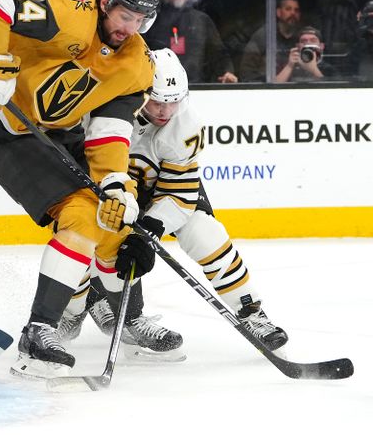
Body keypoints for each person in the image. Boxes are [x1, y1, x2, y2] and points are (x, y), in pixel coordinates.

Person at [0, 0, 161, 379]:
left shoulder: (137, 65)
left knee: (105, 217)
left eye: (140, 20)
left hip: (59, 136)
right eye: (124, 16)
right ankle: (46, 327)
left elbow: (109, 129)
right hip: (6, 134)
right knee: (82, 216)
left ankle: (83, 323)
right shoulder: (67, 12)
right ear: (104, 4)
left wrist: (116, 182)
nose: (130, 29)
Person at [60, 49, 289, 354]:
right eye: (157, 101)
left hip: (162, 188)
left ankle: (251, 313)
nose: (165, 111)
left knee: (204, 233)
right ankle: (79, 307)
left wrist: (152, 229)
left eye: (174, 101)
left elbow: (179, 194)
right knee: (87, 232)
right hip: (109, 188)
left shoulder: (186, 125)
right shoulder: (106, 109)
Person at [144, 0, 237, 83]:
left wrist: (227, 71)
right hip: (157, 89)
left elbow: (218, 53)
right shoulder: (151, 20)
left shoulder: (201, 20)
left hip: (197, 89)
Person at [239, 0, 301, 82]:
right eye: (288, 9)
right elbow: (246, 73)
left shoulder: (303, 38)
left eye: (296, 10)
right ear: (278, 12)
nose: (293, 13)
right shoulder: (264, 36)